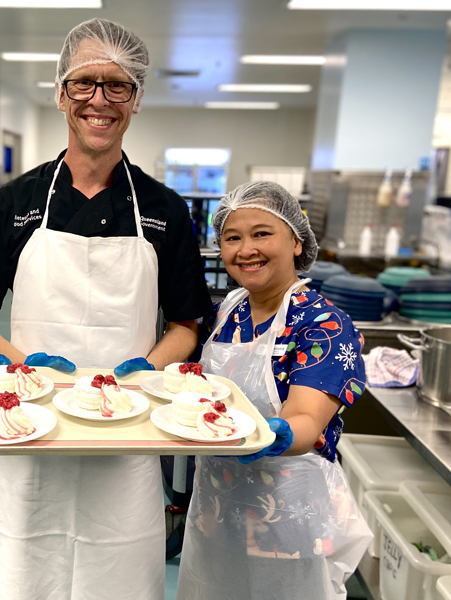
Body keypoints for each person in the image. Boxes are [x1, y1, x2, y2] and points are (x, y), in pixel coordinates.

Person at [0, 18, 212, 600]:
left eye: (116, 85)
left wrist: (146, 369)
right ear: (60, 93)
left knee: (115, 571)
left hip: (127, 435)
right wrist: (22, 365)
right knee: (25, 569)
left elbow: (186, 326)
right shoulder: (14, 203)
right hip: (29, 429)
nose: (99, 100)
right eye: (84, 83)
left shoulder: (164, 210)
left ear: (136, 98)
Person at [175, 181, 372, 599]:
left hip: (286, 514)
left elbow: (305, 419)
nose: (246, 249)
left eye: (262, 233)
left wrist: (275, 432)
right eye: (232, 238)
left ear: (297, 242)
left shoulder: (325, 325)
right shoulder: (228, 309)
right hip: (218, 505)